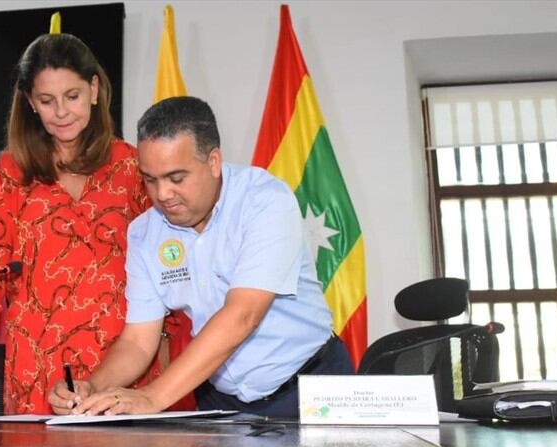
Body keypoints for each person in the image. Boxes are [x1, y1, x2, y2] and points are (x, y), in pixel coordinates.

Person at [0, 33, 192, 416]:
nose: (62, 112)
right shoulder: (11, 171)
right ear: (31, 102)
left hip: (127, 364)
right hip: (38, 371)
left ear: (95, 89)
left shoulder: (133, 167)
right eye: (47, 101)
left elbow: (173, 262)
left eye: (73, 96)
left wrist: (173, 341)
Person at [48, 96, 354, 418]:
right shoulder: (144, 233)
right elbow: (139, 341)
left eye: (176, 178)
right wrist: (92, 387)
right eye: (150, 179)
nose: (162, 194)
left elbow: (242, 315)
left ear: (214, 161)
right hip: (222, 403)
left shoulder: (264, 201)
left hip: (310, 388)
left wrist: (152, 397)